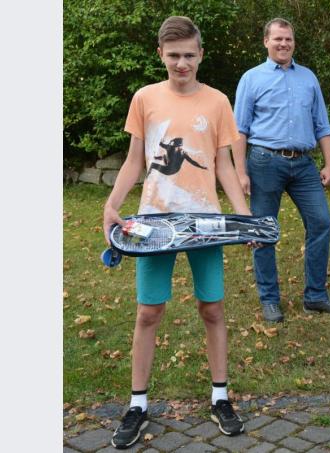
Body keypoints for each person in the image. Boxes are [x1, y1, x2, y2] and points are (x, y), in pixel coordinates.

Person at [101, 16, 250, 448]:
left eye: (188, 55)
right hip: (153, 223)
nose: (181, 63)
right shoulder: (145, 98)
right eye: (173, 56)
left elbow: (224, 165)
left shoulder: (218, 101)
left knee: (213, 308)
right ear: (160, 55)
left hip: (205, 224)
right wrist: (111, 205)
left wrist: (244, 218)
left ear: (201, 54)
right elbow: (134, 160)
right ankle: (137, 405)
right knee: (148, 313)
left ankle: (220, 398)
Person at [233, 17, 330, 323]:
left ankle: (315, 296)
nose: (283, 44)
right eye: (278, 39)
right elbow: (239, 129)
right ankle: (270, 300)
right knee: (264, 230)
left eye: (288, 39)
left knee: (321, 221)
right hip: (264, 162)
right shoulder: (251, 78)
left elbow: (322, 124)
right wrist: (240, 172)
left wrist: (329, 164)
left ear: (294, 42)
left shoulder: (308, 78)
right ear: (266, 42)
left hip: (304, 163)